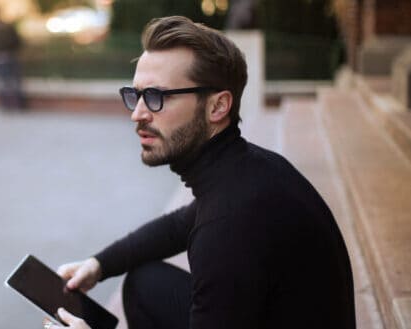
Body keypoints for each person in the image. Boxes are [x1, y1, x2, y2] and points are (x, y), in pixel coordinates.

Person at [43, 16, 355, 329]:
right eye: (135, 95)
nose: (137, 114)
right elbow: (178, 225)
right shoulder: (248, 169)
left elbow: (212, 228)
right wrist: (99, 264)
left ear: (217, 107)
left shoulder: (229, 225)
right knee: (145, 284)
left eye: (156, 97)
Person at [0, 8, 25, 111]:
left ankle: (6, 105)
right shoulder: (9, 27)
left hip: (0, 57)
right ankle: (17, 105)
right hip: (9, 56)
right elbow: (18, 41)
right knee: (13, 82)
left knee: (3, 82)